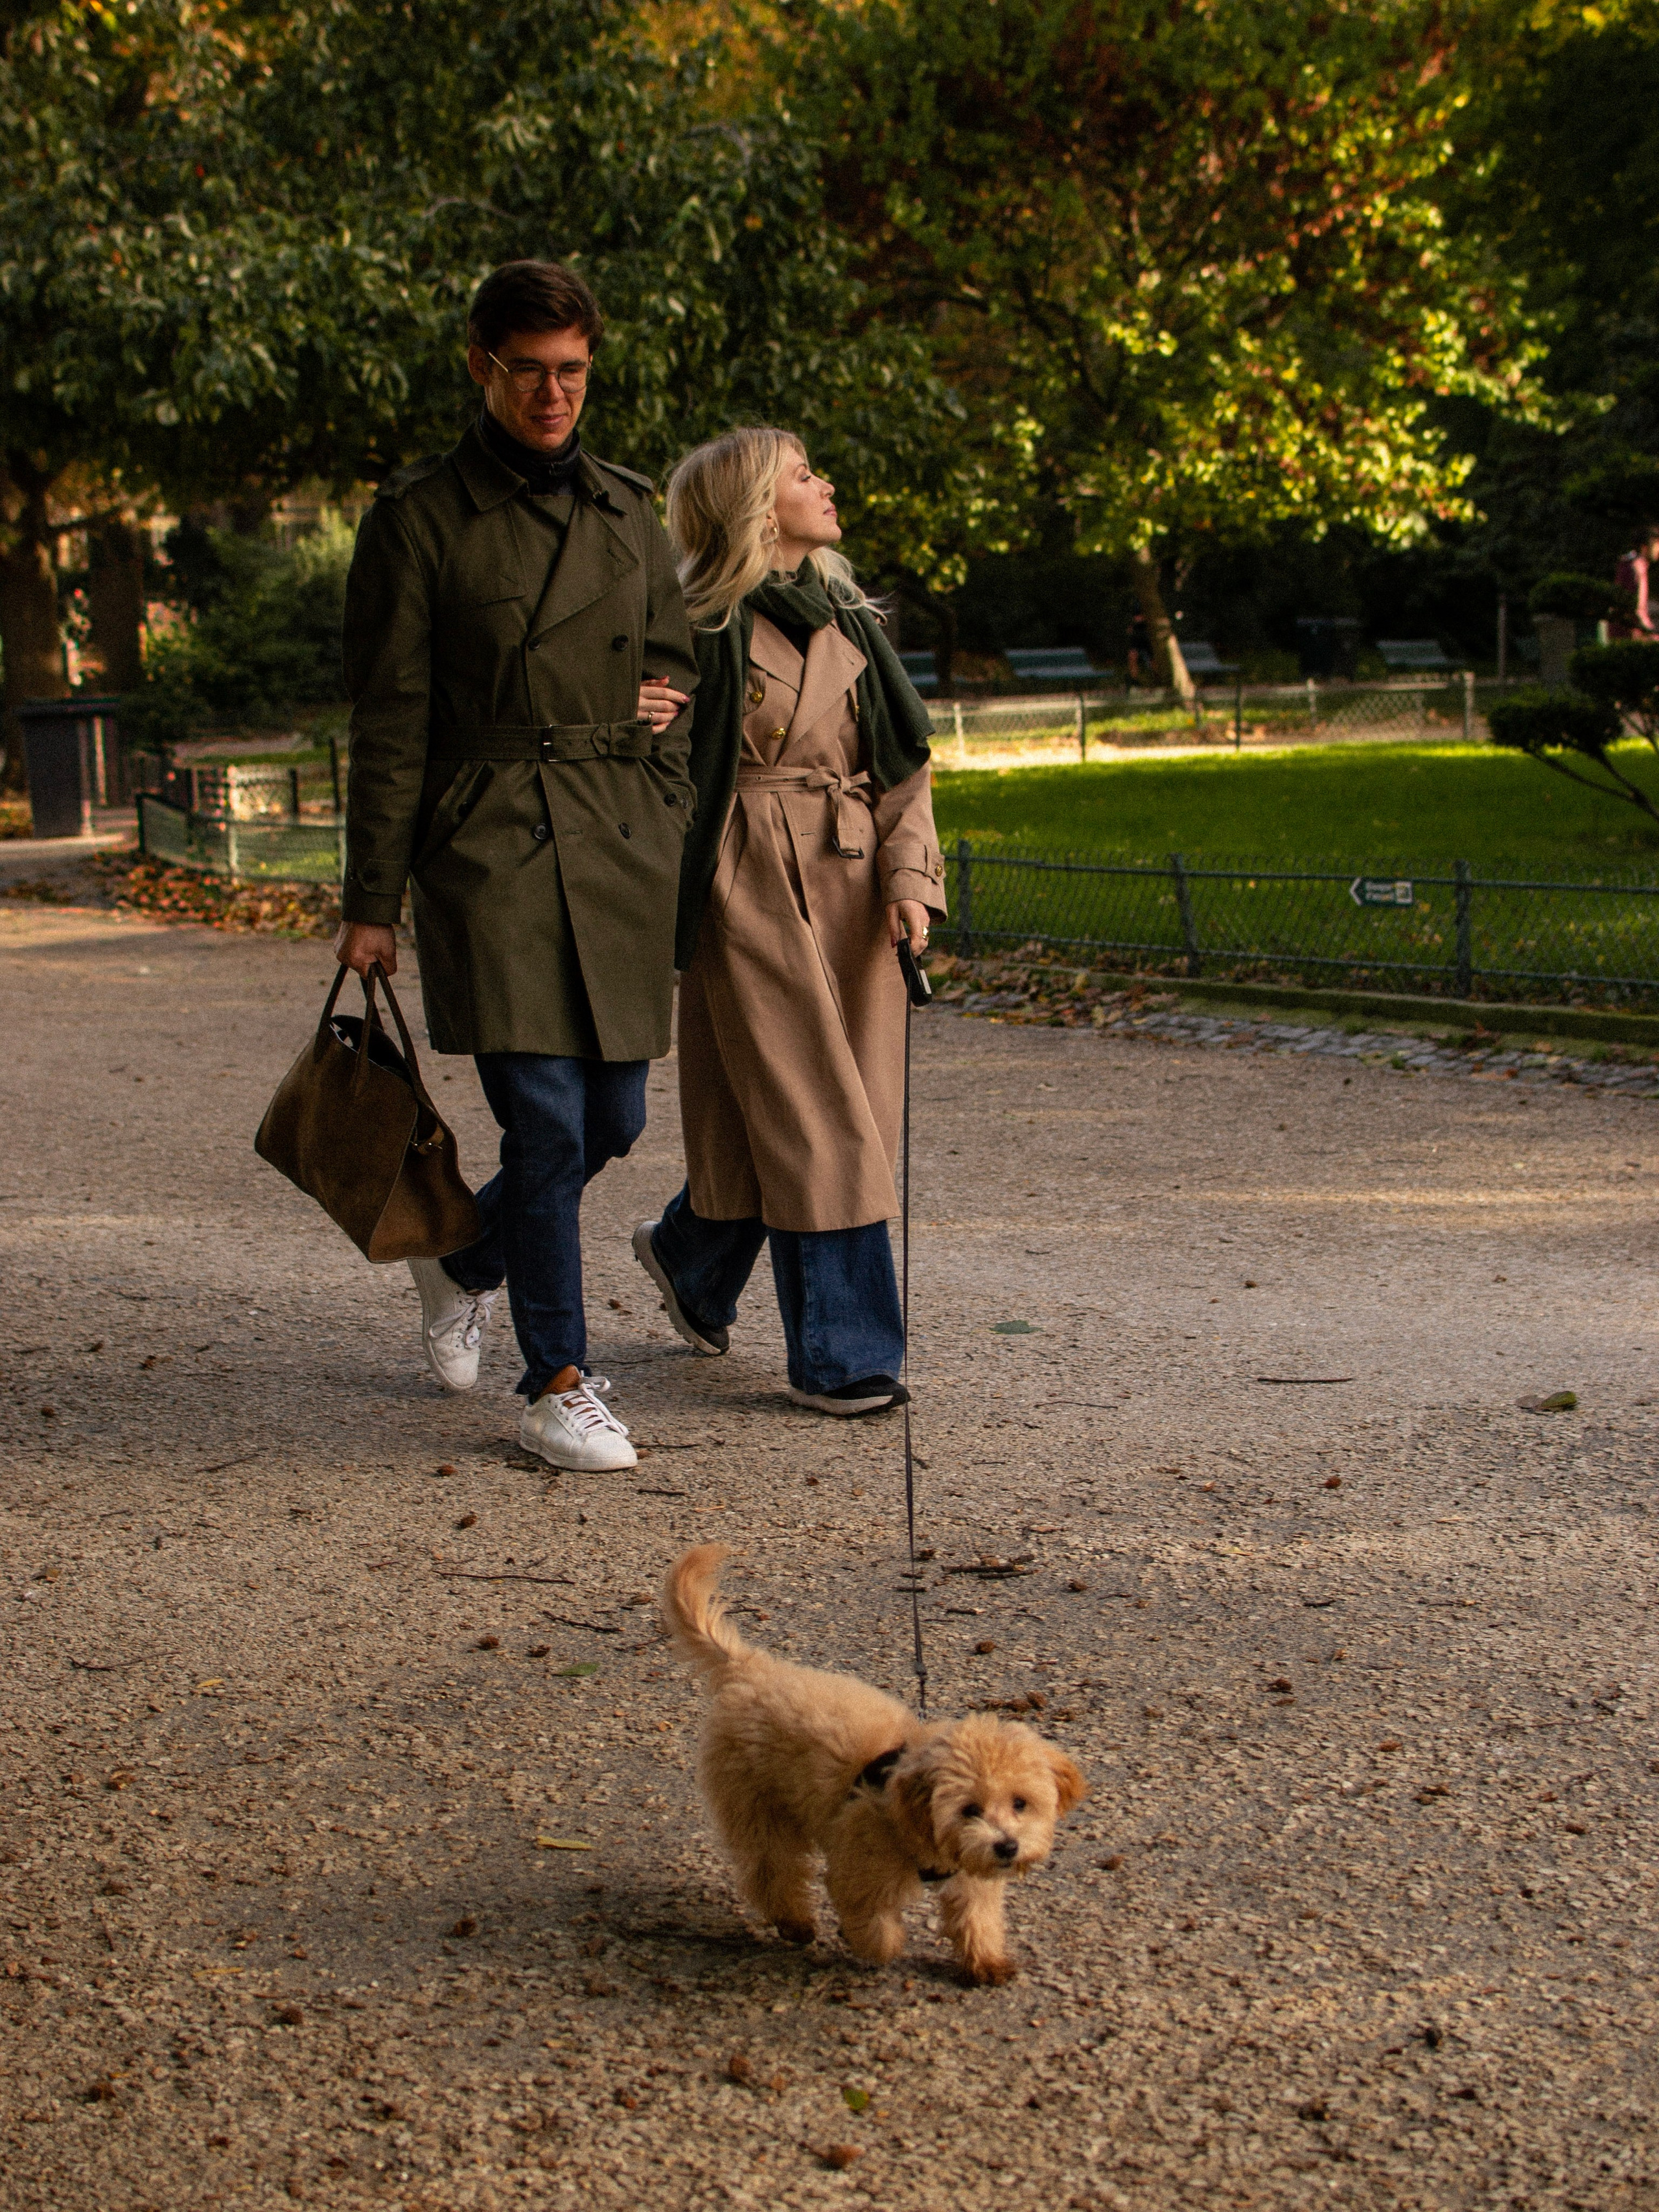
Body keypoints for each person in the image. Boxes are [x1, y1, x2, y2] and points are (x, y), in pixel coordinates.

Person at [334, 259, 699, 1473]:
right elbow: (390, 722)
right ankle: (556, 1383)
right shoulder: (419, 519)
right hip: (489, 844)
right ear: (480, 366)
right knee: (543, 1119)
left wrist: (662, 777)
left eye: (573, 372)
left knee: (612, 1121)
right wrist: (373, 901)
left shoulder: (628, 509)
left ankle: (463, 1257)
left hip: (615, 841)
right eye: (529, 371)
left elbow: (680, 672)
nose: (554, 396)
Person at [631, 428, 947, 1415]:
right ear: (757, 509)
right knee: (819, 1115)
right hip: (745, 880)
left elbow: (904, 768)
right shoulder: (692, 626)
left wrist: (910, 878)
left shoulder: (851, 617)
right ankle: (843, 1355)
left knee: (793, 1113)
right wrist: (636, 716)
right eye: (804, 475)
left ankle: (692, 1257)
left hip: (853, 885)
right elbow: (644, 762)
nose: (826, 484)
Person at [1613, 527, 1659, 639]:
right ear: (1644, 547)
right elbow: (1638, 608)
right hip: (1629, 633)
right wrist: (1650, 633)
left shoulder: (1630, 563)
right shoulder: (1637, 567)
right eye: (1656, 543)